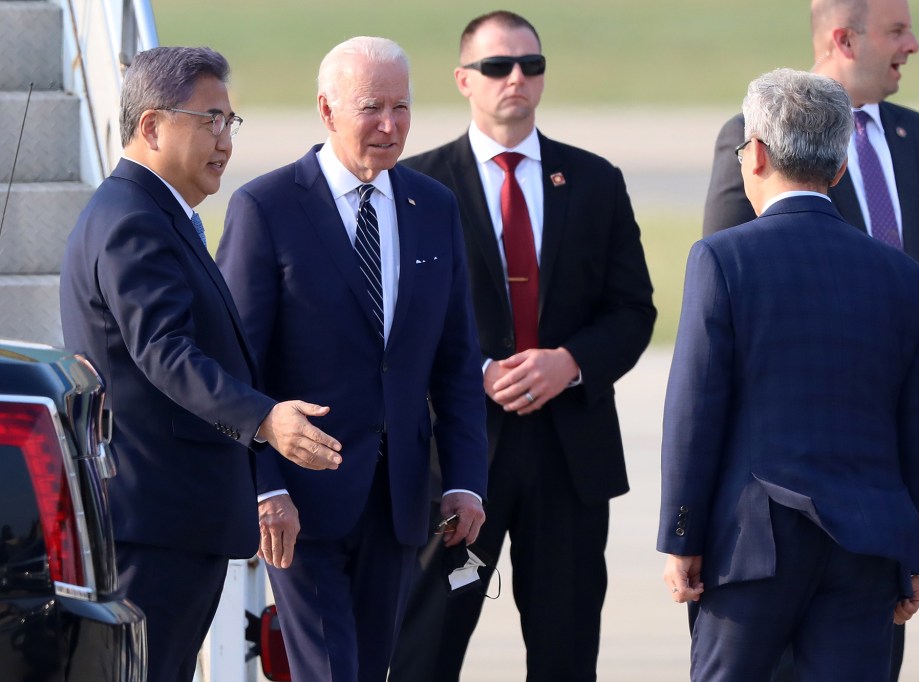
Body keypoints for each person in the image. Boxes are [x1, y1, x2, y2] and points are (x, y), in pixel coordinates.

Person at [700, 5, 919, 674]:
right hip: (782, 471)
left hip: (895, 446)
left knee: (873, 650)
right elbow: (725, 274)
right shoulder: (754, 135)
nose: (912, 45)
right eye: (897, 31)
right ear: (845, 39)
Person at [59, 47, 343, 682]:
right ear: (153, 126)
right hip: (155, 522)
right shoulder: (134, 220)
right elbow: (164, 349)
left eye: (230, 122)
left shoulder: (157, 214)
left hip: (172, 522)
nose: (225, 141)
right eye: (209, 120)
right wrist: (266, 419)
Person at [389, 10, 655, 682]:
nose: (516, 79)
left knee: (565, 652)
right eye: (497, 67)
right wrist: (473, 371)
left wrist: (570, 363)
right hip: (456, 459)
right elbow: (392, 316)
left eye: (530, 66)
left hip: (569, 459)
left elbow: (633, 310)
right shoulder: (415, 187)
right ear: (462, 80)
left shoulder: (595, 182)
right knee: (426, 645)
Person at [215, 37, 488, 682]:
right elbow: (236, 366)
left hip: (397, 499)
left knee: (369, 667)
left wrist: (465, 477)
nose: (390, 126)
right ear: (327, 110)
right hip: (300, 498)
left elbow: (455, 361)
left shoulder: (433, 207)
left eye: (402, 108)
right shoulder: (267, 208)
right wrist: (265, 486)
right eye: (371, 108)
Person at [660, 67, 919, 681]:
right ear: (839, 168)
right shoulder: (899, 275)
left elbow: (693, 411)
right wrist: (910, 549)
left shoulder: (722, 257)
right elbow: (917, 426)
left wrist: (681, 534)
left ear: (755, 154)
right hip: (867, 546)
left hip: (750, 547)